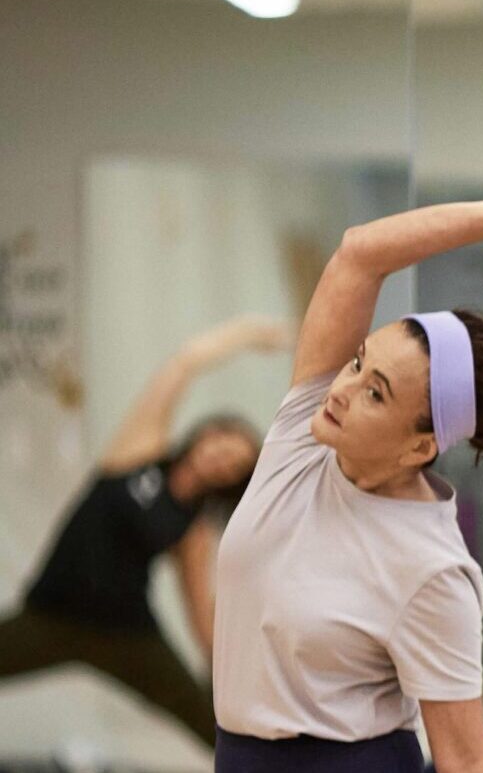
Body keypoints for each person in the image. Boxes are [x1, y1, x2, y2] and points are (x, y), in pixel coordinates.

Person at [213, 175, 483, 773]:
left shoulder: (432, 570)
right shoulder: (303, 432)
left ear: (420, 446)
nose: (344, 388)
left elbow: (466, 757)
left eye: (376, 393)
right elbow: (360, 253)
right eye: (358, 363)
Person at [0, 315, 285, 746]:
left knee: (206, 722)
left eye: (235, 465)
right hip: (50, 616)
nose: (223, 460)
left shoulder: (194, 528)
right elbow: (183, 363)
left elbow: (200, 612)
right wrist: (247, 335)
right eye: (225, 445)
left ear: (232, 482)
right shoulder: (140, 450)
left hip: (126, 634)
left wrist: (230, 672)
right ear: (208, 433)